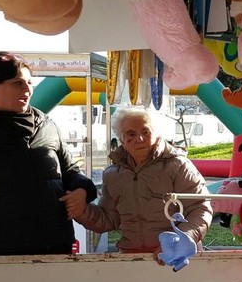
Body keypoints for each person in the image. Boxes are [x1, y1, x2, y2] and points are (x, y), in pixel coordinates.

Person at [0, 51, 97, 266]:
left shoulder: (49, 126)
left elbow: (71, 171)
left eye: (30, 82)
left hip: (58, 248)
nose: (27, 89)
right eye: (17, 83)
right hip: (2, 253)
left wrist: (82, 191)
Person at [64, 107, 212, 262]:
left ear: (156, 133)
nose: (139, 139)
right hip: (132, 259)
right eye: (131, 134)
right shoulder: (113, 174)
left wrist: (182, 240)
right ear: (121, 140)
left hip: (177, 258)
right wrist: (82, 211)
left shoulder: (179, 165)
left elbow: (200, 207)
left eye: (145, 131)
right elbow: (108, 219)